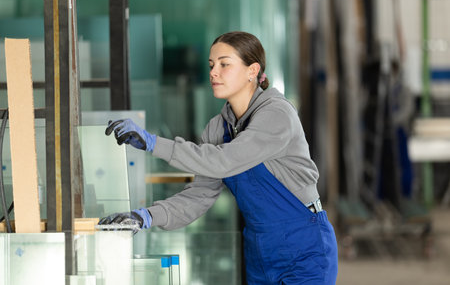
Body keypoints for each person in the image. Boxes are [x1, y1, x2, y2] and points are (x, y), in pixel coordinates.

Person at [98, 31, 338, 284]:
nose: (214, 72)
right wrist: (145, 217)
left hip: (304, 246)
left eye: (225, 64)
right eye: (212, 65)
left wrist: (154, 143)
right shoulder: (217, 128)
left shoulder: (277, 114)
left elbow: (224, 160)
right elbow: (199, 196)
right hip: (259, 250)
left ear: (252, 70)